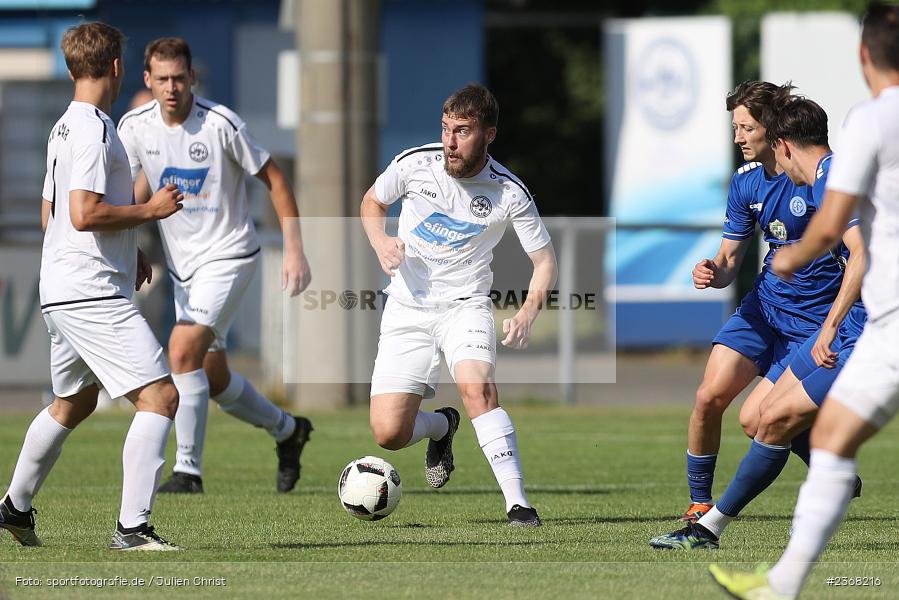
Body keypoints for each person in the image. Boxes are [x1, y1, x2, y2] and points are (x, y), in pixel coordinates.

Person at [710, 4, 899, 598]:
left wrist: (802, 267)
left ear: (864, 55)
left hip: (875, 325)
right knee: (783, 425)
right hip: (871, 326)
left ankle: (710, 525)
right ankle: (782, 580)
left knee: (781, 422)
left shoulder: (865, 126)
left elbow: (849, 242)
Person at [651, 90, 866, 550]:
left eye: (746, 127)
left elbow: (859, 254)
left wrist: (830, 322)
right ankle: (700, 508)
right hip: (765, 309)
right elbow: (730, 259)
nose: (738, 137)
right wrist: (713, 270)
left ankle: (719, 527)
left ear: (778, 134)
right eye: (735, 127)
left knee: (762, 421)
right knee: (723, 401)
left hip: (823, 321)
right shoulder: (751, 180)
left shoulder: (823, 179)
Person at [0, 22, 185, 551]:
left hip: (62, 286)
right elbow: (82, 213)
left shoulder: (64, 127)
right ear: (119, 67)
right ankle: (132, 529)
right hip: (89, 292)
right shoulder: (95, 129)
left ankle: (14, 506)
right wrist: (149, 211)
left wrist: (130, 247)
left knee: (72, 403)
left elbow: (51, 214)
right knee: (160, 396)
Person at [117, 37, 313, 494]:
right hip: (184, 269)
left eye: (179, 78)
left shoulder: (221, 123)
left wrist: (296, 249)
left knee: (181, 349)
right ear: (148, 80)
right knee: (213, 376)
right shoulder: (134, 127)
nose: (171, 88)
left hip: (230, 255)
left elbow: (275, 178)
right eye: (162, 79)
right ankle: (289, 430)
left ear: (192, 79)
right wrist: (134, 247)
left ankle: (188, 471)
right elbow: (129, 193)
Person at [360, 83, 557, 526]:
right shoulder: (414, 163)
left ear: (489, 134)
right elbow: (372, 200)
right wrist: (380, 242)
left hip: (465, 305)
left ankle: (518, 503)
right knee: (389, 433)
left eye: (462, 131)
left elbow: (544, 261)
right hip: (407, 308)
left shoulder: (509, 192)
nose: (450, 141)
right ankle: (441, 427)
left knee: (477, 388)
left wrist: (526, 311)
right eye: (446, 129)